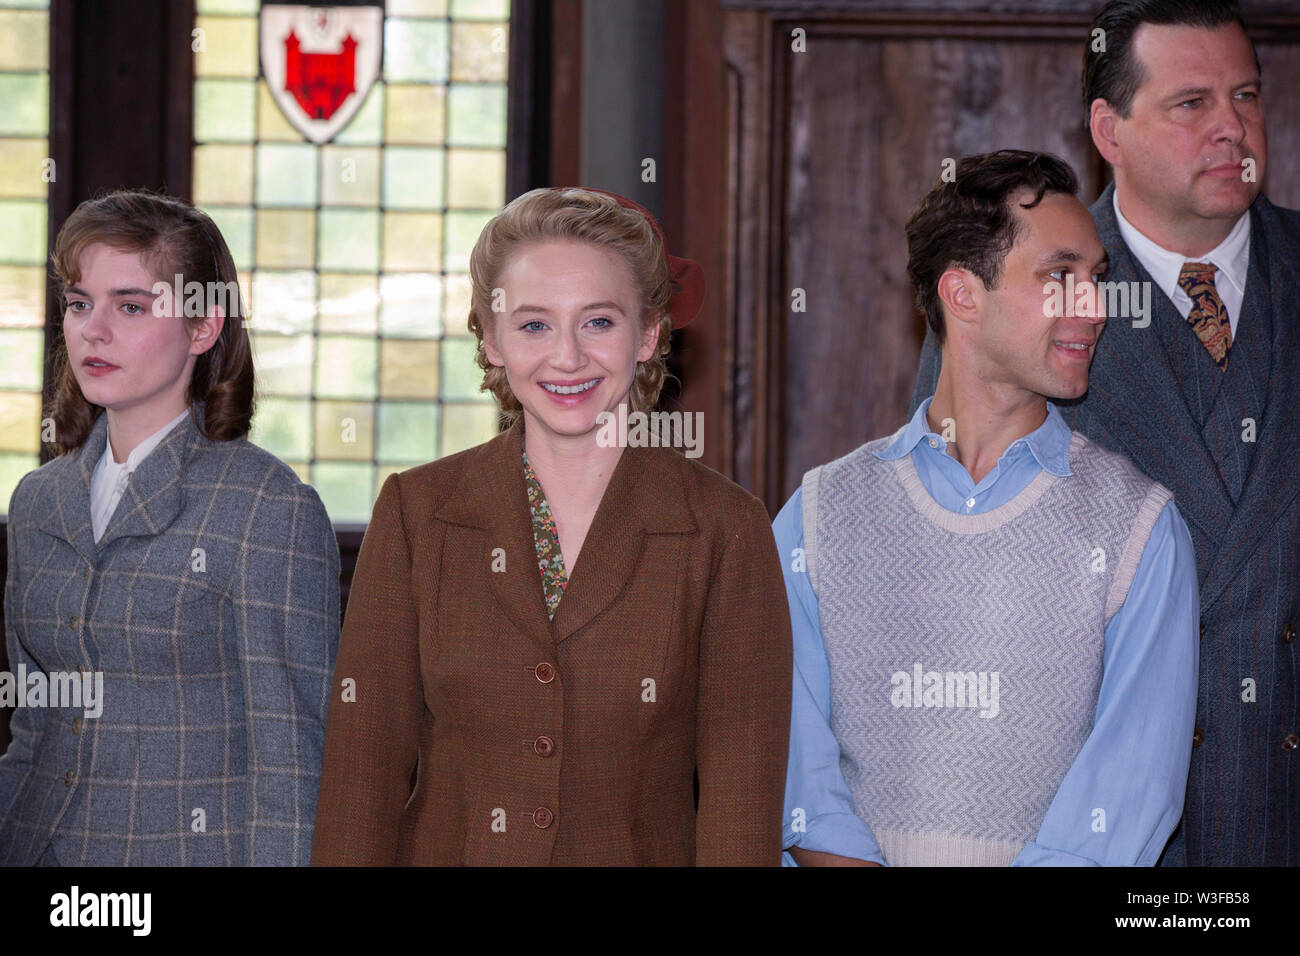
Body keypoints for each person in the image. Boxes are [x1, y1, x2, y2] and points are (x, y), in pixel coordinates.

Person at [911, 0, 1299, 866]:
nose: (1234, 127)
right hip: (1088, 835)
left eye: (1247, 95)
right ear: (1108, 129)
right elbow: (949, 595)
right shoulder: (1017, 302)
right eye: (1192, 103)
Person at [311, 186, 792, 866]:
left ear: (649, 332)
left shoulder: (725, 529)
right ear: (492, 339)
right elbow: (362, 782)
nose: (568, 357)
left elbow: (739, 810)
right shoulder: (418, 514)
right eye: (534, 325)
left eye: (599, 322)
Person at [780, 150, 1198, 866]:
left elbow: (1127, 795)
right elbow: (796, 779)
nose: (1094, 308)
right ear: (963, 294)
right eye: (1059, 277)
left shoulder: (1143, 528)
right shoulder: (818, 514)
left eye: (1097, 280)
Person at [0, 189, 340, 866]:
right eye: (78, 302)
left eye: (130, 305)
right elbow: (34, 725)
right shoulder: (38, 501)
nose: (92, 330)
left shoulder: (266, 507)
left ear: (203, 327)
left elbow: (293, 766)